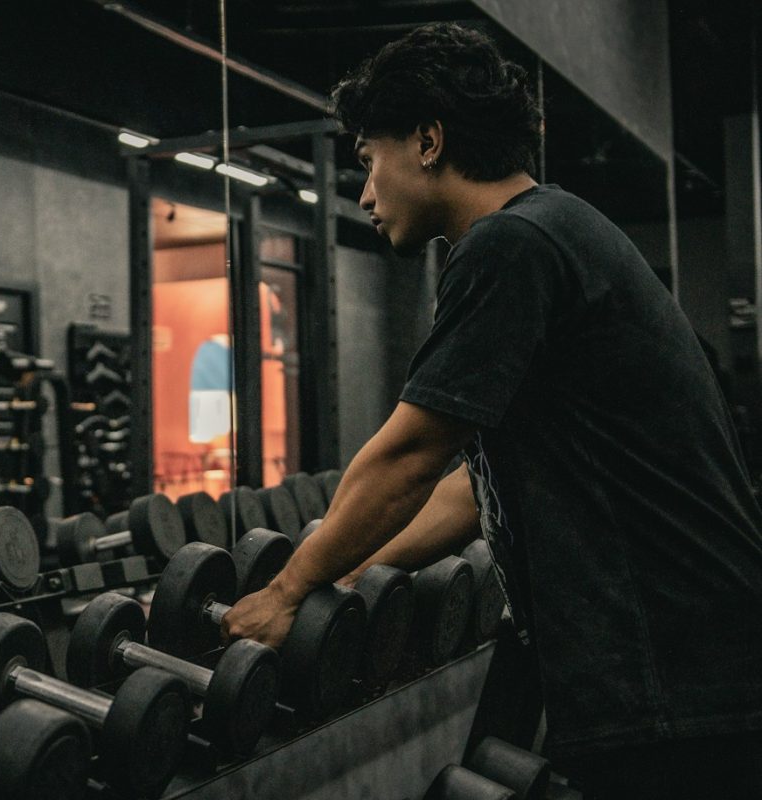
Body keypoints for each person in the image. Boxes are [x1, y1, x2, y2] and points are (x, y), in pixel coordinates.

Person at [221, 23, 762, 798]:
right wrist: (351, 572)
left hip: (676, 676)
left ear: (430, 141)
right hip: (697, 668)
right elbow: (473, 491)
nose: (366, 192)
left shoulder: (510, 246)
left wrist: (284, 592)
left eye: (370, 161)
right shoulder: (554, 230)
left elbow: (410, 455)